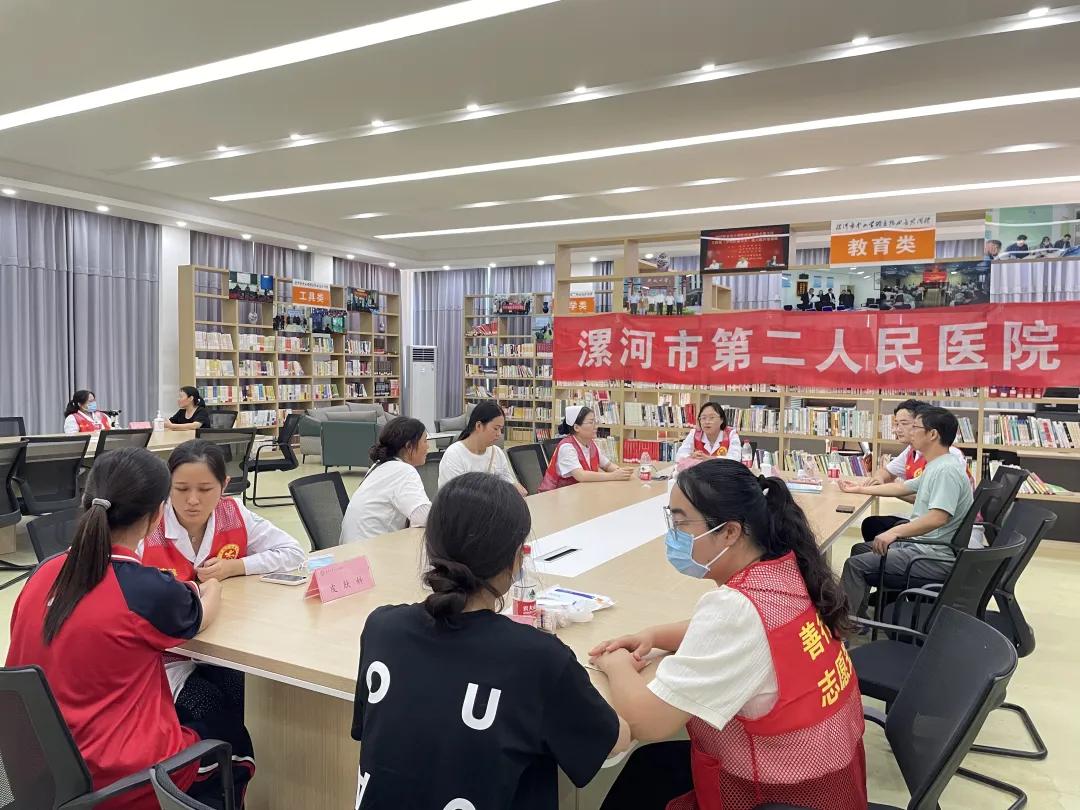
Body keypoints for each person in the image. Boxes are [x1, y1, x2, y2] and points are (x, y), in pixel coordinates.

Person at [591, 461, 866, 810]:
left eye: (680, 523)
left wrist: (615, 664)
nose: (673, 536)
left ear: (730, 532)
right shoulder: (786, 569)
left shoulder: (736, 610)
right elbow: (755, 632)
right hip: (821, 785)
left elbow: (646, 722)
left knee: (636, 777)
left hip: (768, 793)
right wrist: (654, 634)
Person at [352, 472, 629, 808]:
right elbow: (613, 743)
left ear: (431, 547)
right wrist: (619, 668)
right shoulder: (539, 659)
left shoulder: (382, 628)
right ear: (516, 559)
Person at [4, 448, 250, 809]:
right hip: (115, 776)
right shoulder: (144, 590)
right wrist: (212, 584)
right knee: (235, 739)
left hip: (30, 771)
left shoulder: (42, 572)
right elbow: (203, 612)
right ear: (157, 515)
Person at [839, 407, 974, 618]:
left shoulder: (946, 471)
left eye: (915, 427)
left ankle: (842, 626)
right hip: (923, 546)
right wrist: (859, 489)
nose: (910, 432)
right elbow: (902, 487)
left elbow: (938, 518)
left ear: (932, 434)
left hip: (932, 556)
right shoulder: (937, 464)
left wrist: (895, 532)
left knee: (855, 566)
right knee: (860, 550)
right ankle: (858, 616)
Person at [855, 400, 971, 546]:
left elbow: (934, 507)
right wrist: (868, 486)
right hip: (930, 526)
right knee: (872, 526)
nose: (897, 430)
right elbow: (894, 478)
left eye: (907, 424)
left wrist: (884, 489)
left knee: (864, 547)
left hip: (943, 534)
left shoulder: (945, 462)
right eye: (896, 424)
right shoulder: (918, 453)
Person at [340, 417, 431, 542]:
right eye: (425, 441)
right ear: (409, 446)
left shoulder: (378, 466)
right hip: (371, 549)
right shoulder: (403, 470)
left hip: (351, 548)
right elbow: (423, 516)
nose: (428, 446)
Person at [438, 400, 527, 496]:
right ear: (479, 426)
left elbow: (508, 483)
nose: (499, 434)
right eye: (495, 428)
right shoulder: (454, 454)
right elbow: (453, 497)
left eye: (501, 429)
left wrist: (515, 488)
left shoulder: (497, 453)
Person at [538, 406, 631, 491]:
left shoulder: (591, 444)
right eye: (591, 422)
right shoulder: (566, 447)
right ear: (576, 427)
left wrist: (622, 472)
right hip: (555, 496)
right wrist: (613, 476)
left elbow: (607, 465)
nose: (596, 426)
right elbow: (581, 475)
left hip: (581, 492)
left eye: (595, 422)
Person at [675, 401, 741, 462]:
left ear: (721, 420)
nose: (707, 422)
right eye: (703, 418)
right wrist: (691, 457)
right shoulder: (694, 433)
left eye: (712, 418)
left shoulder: (731, 434)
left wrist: (709, 459)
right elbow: (679, 456)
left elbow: (735, 459)